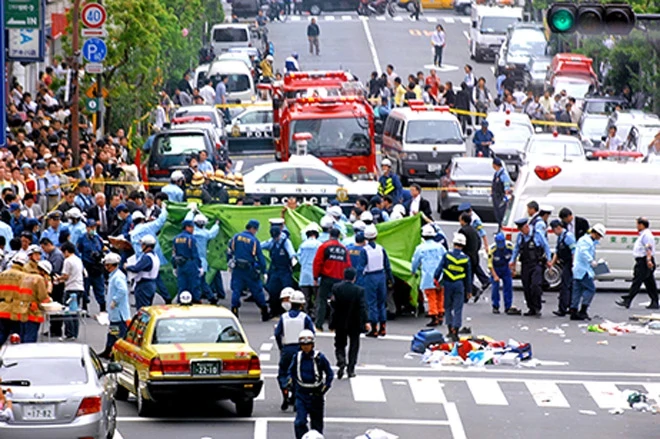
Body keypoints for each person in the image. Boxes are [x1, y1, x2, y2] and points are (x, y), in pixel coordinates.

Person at [287, 330, 334, 439]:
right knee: (299, 422)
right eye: (303, 344)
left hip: (316, 395)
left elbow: (329, 373)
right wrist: (289, 382)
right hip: (301, 394)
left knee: (317, 427)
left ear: (312, 344)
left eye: (308, 344)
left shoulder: (319, 358)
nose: (306, 347)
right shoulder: (297, 357)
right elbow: (290, 371)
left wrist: (325, 387)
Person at [275, 290, 315, 410]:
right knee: (298, 374)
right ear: (302, 305)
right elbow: (312, 333)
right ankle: (296, 398)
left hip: (287, 348)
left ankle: (285, 392)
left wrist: (281, 348)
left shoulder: (284, 317)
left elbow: (278, 334)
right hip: (300, 349)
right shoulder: (305, 318)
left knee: (283, 372)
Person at [227, 220, 270, 321]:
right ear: (254, 229)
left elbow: (229, 252)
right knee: (257, 290)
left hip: (237, 268)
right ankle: (264, 311)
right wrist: (264, 271)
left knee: (236, 290)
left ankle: (234, 310)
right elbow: (260, 257)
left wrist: (229, 263)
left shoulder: (236, 237)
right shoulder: (254, 241)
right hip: (249, 269)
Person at [331, 268, 368, 379]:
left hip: (340, 321)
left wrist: (332, 322)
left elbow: (333, 306)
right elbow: (362, 307)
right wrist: (366, 321)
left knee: (339, 344)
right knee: (354, 345)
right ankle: (351, 369)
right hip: (355, 321)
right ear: (354, 278)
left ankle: (341, 361)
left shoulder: (336, 288)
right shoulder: (359, 290)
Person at [510, 218, 551, 317]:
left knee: (535, 285)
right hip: (525, 264)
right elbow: (516, 249)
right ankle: (531, 308)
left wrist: (549, 260)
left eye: (522, 229)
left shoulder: (537, 234)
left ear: (527, 226)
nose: (521, 231)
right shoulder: (521, 236)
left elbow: (546, 246)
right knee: (527, 287)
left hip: (536, 264)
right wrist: (512, 261)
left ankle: (537, 307)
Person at [434, 233, 472, 342]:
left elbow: (439, 268)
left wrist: (436, 279)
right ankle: (456, 329)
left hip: (448, 283)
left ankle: (450, 329)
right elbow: (468, 276)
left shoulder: (447, 255)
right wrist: (469, 290)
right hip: (459, 285)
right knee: (458, 308)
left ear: (454, 243)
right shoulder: (465, 258)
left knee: (448, 307)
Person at [312, 228, 351, 331]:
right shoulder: (343, 249)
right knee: (337, 303)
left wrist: (315, 277)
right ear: (339, 236)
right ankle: (333, 326)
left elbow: (317, 262)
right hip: (339, 279)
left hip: (326, 278)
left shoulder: (324, 246)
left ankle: (319, 325)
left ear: (329, 235)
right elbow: (348, 266)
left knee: (322, 301)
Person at [616, 217, 659, 310]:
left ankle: (628, 299)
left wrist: (648, 260)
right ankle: (655, 301)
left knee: (637, 281)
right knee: (649, 283)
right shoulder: (644, 234)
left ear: (641, 225)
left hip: (644, 261)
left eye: (637, 224)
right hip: (644, 261)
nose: (636, 226)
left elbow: (648, 247)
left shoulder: (646, 235)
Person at [412, 224, 447, 326]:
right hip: (440, 275)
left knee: (431, 296)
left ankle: (434, 315)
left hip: (428, 276)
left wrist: (413, 271)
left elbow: (415, 261)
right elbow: (446, 258)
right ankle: (440, 313)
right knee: (440, 295)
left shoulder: (420, 248)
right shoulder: (440, 247)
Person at [362, 224, 393, 337]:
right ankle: (383, 327)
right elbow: (387, 265)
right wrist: (390, 279)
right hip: (381, 275)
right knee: (381, 303)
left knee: (371, 303)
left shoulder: (364, 250)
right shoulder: (381, 249)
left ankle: (374, 328)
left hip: (370, 277)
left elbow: (361, 267)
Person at [571, 224, 606, 320]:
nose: (599, 238)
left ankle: (573, 311)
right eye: (599, 236)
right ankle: (583, 310)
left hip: (580, 269)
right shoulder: (586, 241)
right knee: (591, 289)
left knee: (577, 290)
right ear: (595, 233)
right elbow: (584, 252)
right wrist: (591, 261)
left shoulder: (588, 240)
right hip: (583, 270)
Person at [99, 253, 130, 359]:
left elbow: (123, 290)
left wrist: (114, 300)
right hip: (115, 313)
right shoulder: (114, 276)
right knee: (113, 332)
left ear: (111, 265)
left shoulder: (118, 277)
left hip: (119, 312)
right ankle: (108, 350)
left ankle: (117, 353)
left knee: (119, 335)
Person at [262, 224, 297, 317]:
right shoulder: (271, 242)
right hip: (275, 270)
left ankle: (287, 310)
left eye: (276, 236)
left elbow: (291, 253)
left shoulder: (286, 242)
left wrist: (293, 260)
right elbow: (261, 245)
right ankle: (274, 310)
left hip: (285, 271)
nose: (275, 238)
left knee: (287, 290)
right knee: (272, 290)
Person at [189, 213, 221, 304]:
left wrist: (191, 212)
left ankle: (199, 297)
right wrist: (216, 224)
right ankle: (210, 297)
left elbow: (187, 221)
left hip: (192, 260)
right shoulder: (204, 234)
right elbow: (212, 233)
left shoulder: (192, 233)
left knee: (196, 281)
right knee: (202, 281)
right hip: (202, 261)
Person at [77, 219, 106, 313]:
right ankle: (85, 307)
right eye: (91, 227)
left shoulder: (98, 238)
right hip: (87, 266)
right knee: (85, 289)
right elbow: (78, 251)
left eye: (94, 227)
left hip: (97, 267)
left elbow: (103, 248)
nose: (93, 229)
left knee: (100, 289)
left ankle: (102, 308)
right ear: (87, 228)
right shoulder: (82, 239)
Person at [548, 219, 576, 317]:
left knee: (565, 285)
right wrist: (552, 263)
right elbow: (557, 251)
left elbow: (574, 251)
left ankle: (563, 308)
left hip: (569, 263)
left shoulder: (568, 237)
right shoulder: (561, 237)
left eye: (554, 230)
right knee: (569, 285)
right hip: (565, 262)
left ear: (558, 228)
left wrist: (573, 265)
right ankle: (570, 306)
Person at [126, 235, 160, 310]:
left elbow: (137, 268)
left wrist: (127, 267)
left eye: (143, 244)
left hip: (144, 285)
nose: (141, 246)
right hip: (151, 284)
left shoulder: (147, 257)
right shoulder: (154, 256)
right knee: (147, 309)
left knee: (142, 310)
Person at [488, 232, 519, 315]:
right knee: (495, 287)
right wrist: (494, 276)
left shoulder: (509, 246)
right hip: (496, 268)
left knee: (508, 287)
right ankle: (495, 306)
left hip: (506, 268)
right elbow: (490, 264)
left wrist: (513, 269)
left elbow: (514, 258)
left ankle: (508, 306)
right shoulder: (492, 249)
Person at [59, 242, 85, 341]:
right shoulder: (78, 260)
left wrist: (58, 279)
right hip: (79, 287)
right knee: (75, 311)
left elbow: (66, 276)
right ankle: (75, 333)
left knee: (67, 311)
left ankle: (69, 333)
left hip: (70, 288)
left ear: (66, 251)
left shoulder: (67, 261)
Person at [0, 254, 28, 345]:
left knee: (2, 333)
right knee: (16, 334)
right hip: (16, 309)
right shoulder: (23, 276)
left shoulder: (3, 274)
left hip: (3, 308)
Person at [172, 220, 202, 302]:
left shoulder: (176, 239)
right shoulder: (191, 239)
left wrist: (174, 266)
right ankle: (196, 302)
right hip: (190, 264)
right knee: (194, 285)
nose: (193, 229)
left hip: (180, 265)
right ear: (187, 227)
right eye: (191, 227)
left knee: (182, 286)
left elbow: (173, 254)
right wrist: (199, 266)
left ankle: (181, 302)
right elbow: (195, 254)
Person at [297, 223, 322, 317]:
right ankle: (315, 315)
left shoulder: (303, 245)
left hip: (304, 276)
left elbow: (298, 258)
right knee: (317, 298)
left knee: (305, 298)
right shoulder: (319, 245)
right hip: (316, 276)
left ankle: (305, 315)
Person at [491, 157, 512, 230]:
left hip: (501, 197)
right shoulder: (496, 174)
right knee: (497, 214)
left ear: (495, 165)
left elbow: (506, 185)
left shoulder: (503, 174)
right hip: (495, 197)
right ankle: (499, 228)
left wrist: (506, 196)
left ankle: (501, 229)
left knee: (501, 213)